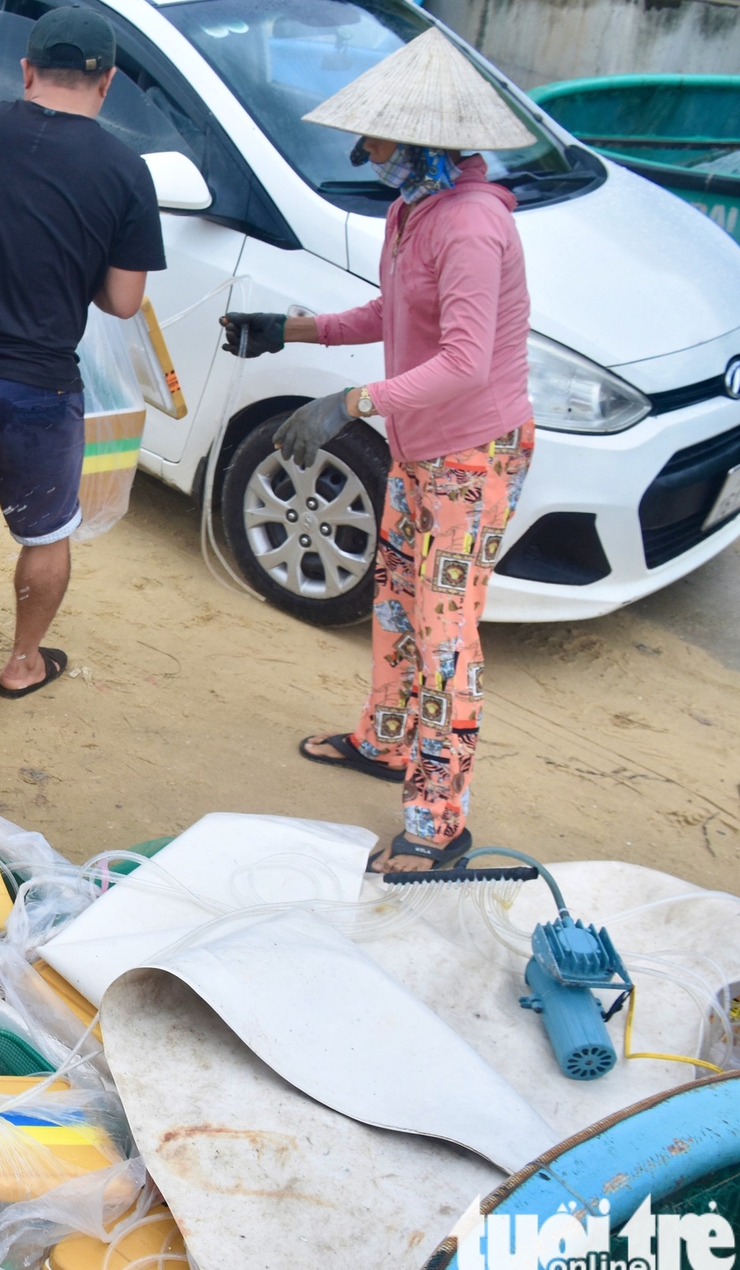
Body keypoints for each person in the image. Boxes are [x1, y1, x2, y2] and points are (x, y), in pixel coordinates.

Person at [220, 29, 536, 872]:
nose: (363, 150)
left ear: (426, 140)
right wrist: (285, 329)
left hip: (469, 461)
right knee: (394, 600)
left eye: (377, 136)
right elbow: (390, 316)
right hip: (420, 448)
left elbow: (465, 361)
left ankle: (441, 819)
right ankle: (386, 740)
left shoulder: (468, 226)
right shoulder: (414, 210)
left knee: (444, 635)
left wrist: (350, 403)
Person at [0, 7, 164, 708]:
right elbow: (121, 302)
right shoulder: (123, 168)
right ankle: (22, 661)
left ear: (26, 71)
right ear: (105, 82)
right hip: (40, 388)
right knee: (46, 533)